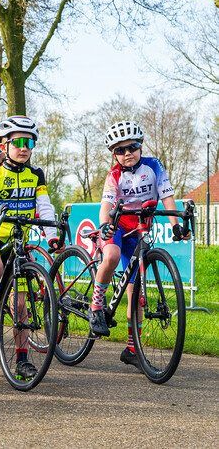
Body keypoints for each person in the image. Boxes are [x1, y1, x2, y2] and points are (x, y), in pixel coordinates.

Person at [0, 116, 60, 381]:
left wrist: (52, 236)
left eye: (29, 142)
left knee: (20, 305)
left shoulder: (36, 175)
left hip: (19, 242)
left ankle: (22, 359)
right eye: (17, 142)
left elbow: (45, 206)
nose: (24, 147)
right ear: (3, 146)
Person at [89, 120, 188, 369]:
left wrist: (176, 224)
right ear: (114, 154)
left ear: (140, 146)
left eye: (131, 147)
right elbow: (106, 206)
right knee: (111, 255)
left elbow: (166, 196)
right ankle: (96, 305)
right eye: (120, 151)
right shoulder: (114, 175)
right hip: (118, 226)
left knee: (136, 292)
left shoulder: (154, 166)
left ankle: (133, 348)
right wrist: (105, 225)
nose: (127, 154)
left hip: (140, 228)